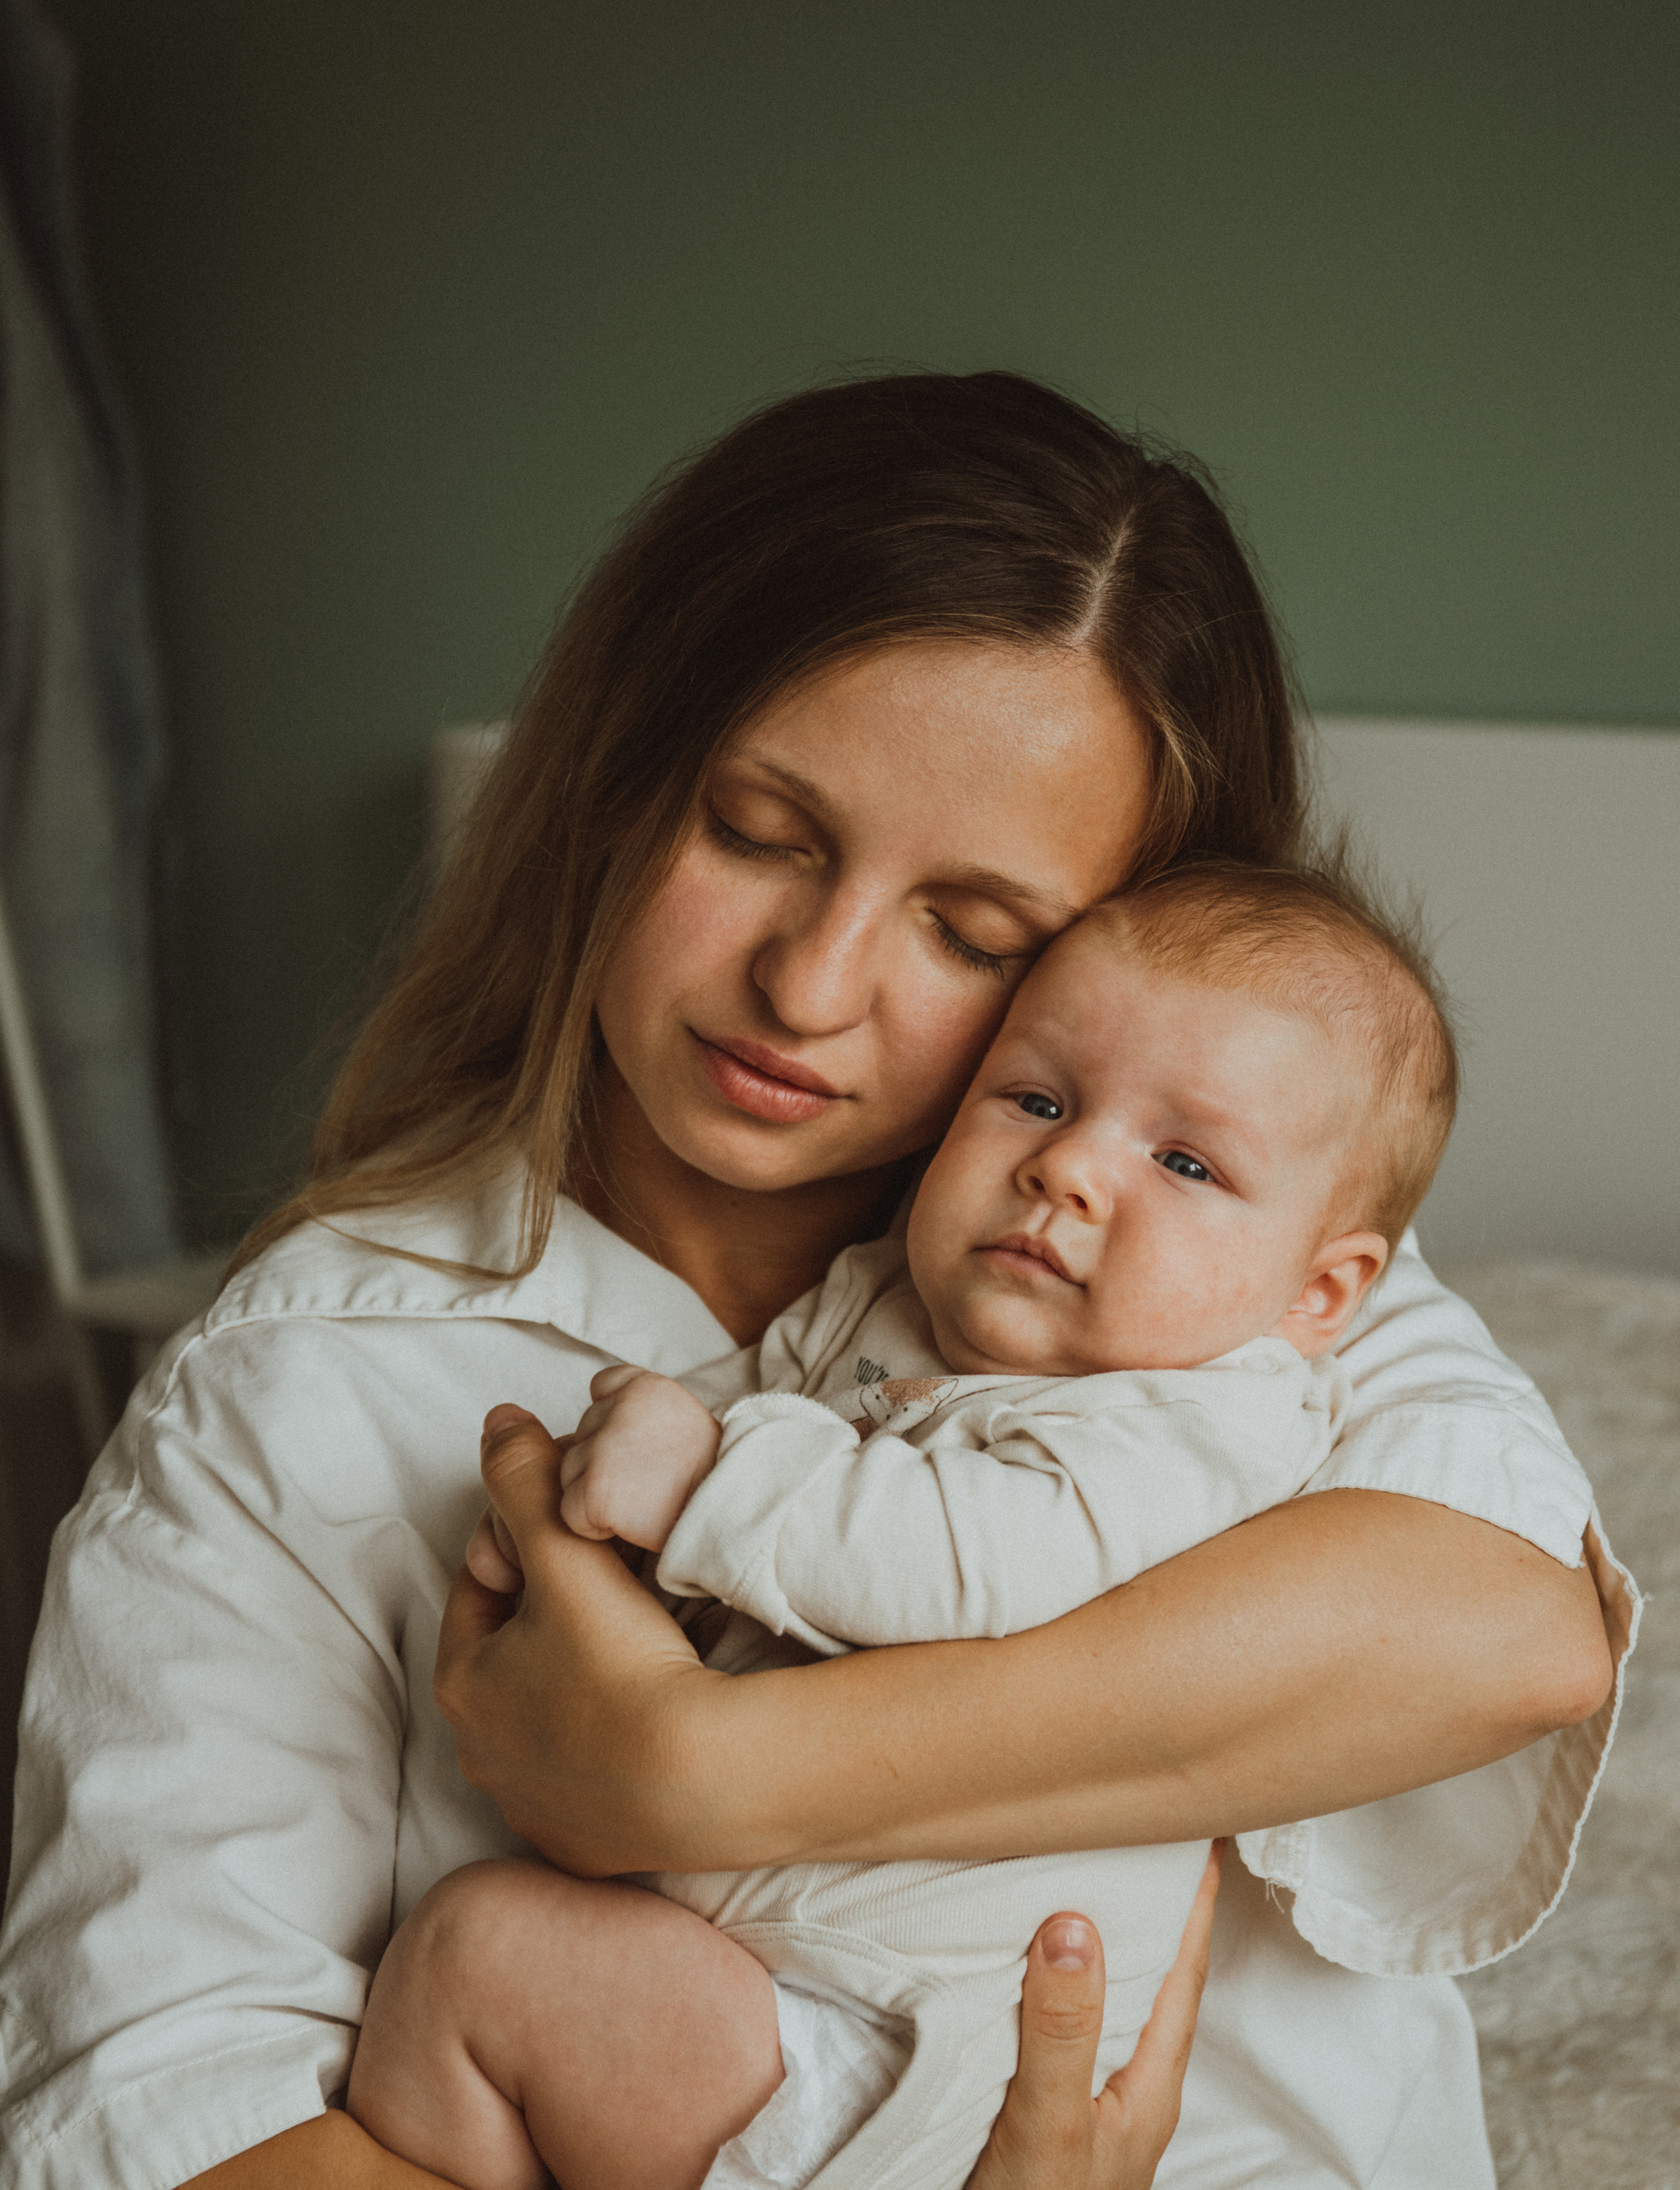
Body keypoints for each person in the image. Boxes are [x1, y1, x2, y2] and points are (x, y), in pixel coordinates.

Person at [0, 375, 1629, 2190]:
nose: (812, 981)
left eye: (974, 933)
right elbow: (179, 2121)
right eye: (761, 832)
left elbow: (1514, 1633)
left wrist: (699, 1778)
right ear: (614, 781)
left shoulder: (1217, 1267)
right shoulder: (299, 1386)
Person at [345, 858, 1456, 2190]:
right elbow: (743, 1413)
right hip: (766, 1976)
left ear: (1317, 1294)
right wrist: (580, 1512)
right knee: (469, 1976)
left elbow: (971, 1560)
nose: (1065, 1171)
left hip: (896, 2059)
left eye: (1182, 1160)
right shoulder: (883, 1301)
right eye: (1035, 1099)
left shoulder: (1199, 1420)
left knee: (477, 1958)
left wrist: (696, 1477)